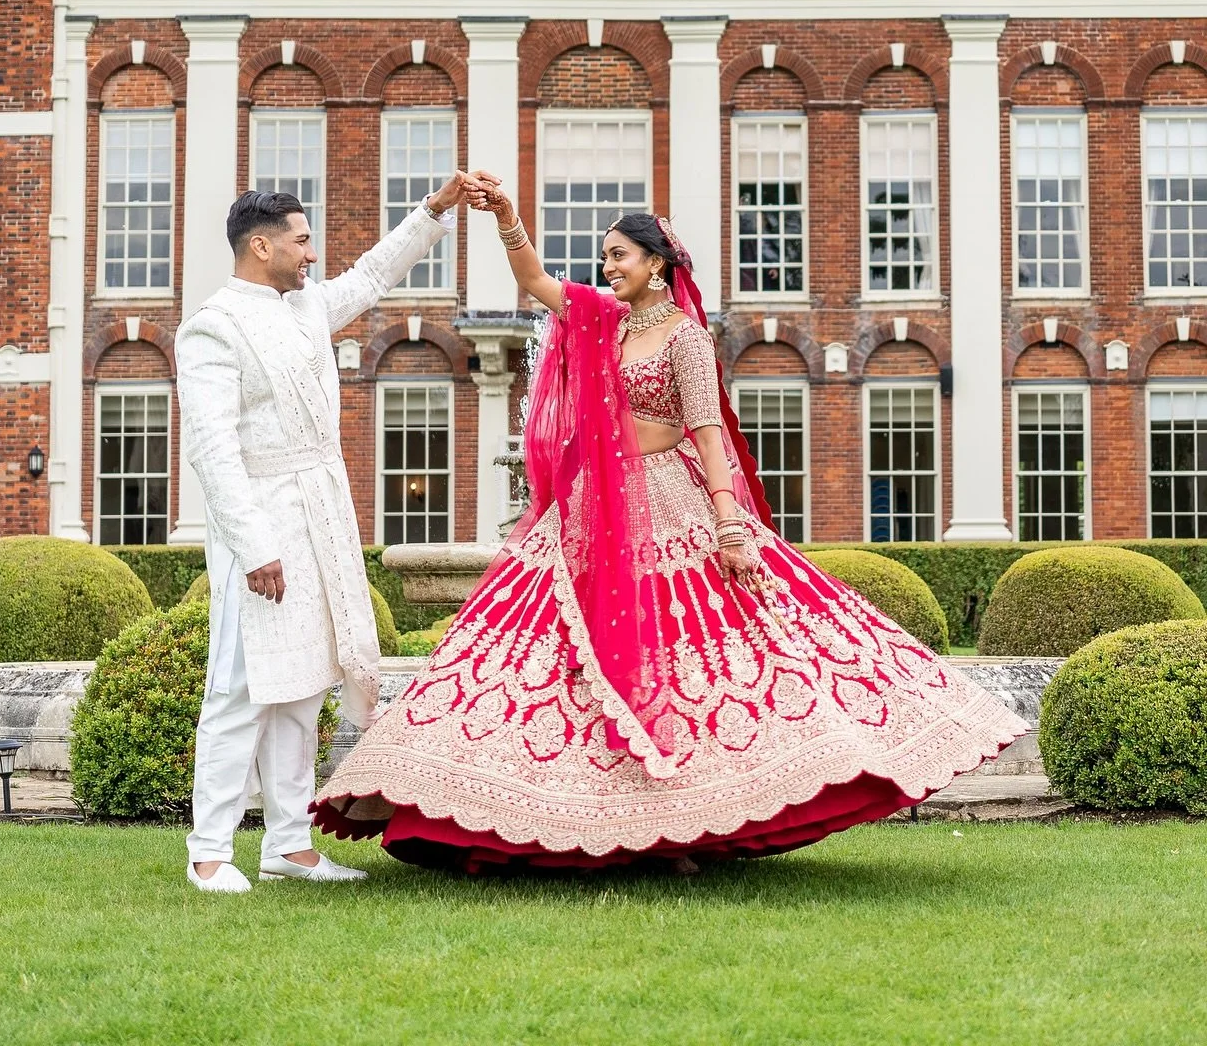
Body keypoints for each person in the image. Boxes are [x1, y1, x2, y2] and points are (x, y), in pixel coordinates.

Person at [314, 186, 1027, 872]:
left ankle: (687, 819)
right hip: (592, 505)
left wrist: (730, 524)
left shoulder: (684, 337)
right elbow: (533, 279)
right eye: (604, 257)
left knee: (682, 655)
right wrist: (506, 218)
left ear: (656, 264)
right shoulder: (599, 318)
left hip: (669, 496)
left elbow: (708, 431)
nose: (608, 267)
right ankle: (519, 808)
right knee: (540, 645)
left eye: (619, 255)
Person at [176, 176, 470, 892]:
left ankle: (288, 845)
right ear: (262, 244)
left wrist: (434, 210)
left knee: (303, 685)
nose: (312, 254)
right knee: (242, 686)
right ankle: (209, 852)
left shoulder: (304, 306)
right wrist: (255, 547)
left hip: (322, 516)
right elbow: (213, 449)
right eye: (302, 240)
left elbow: (371, 274)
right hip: (263, 524)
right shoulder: (212, 325)